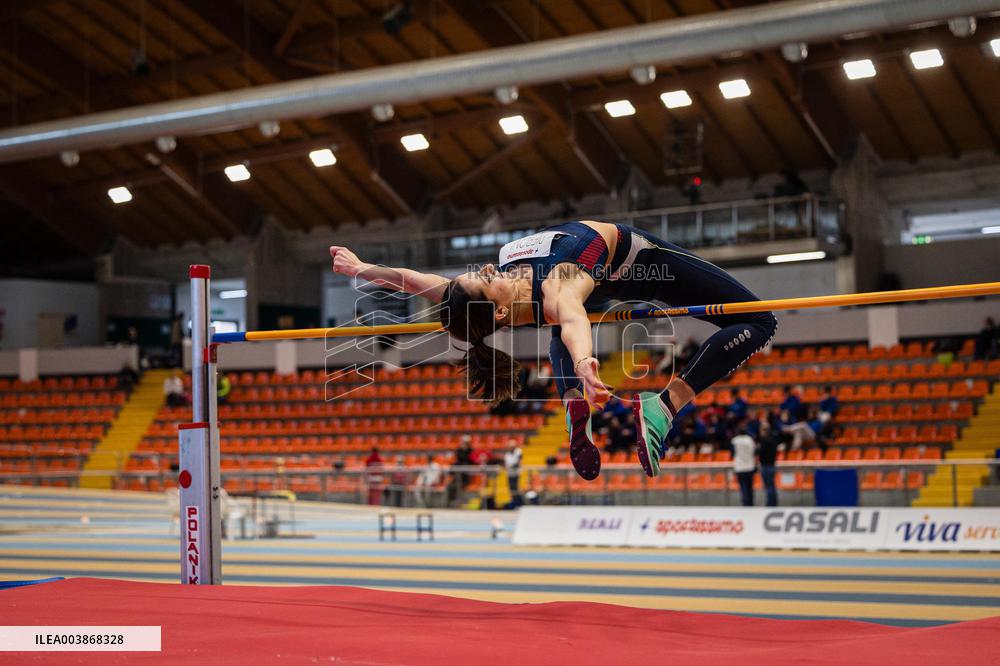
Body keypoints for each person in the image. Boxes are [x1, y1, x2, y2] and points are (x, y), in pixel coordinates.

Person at [331, 219, 776, 482]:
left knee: (557, 320)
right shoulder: (556, 285)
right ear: (500, 313)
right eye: (488, 278)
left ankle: (571, 404)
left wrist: (361, 268)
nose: (487, 267)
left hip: (595, 281)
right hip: (640, 267)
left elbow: (412, 280)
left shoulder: (485, 302)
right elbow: (574, 318)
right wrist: (585, 362)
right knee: (759, 320)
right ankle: (665, 406)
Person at [731, 425, 757, 507]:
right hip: (750, 466)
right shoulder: (750, 440)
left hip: (740, 467)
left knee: (743, 487)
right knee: (750, 487)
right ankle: (751, 504)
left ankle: (745, 504)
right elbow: (754, 451)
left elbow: (732, 453)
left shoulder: (735, 440)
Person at [757, 420, 780, 507]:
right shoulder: (773, 439)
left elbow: (762, 454)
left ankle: (771, 504)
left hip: (767, 465)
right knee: (771, 486)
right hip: (770, 465)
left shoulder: (766, 441)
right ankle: (773, 503)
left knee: (769, 486)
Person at [503, 439, 523, 506]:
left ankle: (519, 503)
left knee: (516, 488)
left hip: (516, 473)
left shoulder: (518, 451)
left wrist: (511, 466)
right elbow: (506, 464)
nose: (511, 447)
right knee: (511, 489)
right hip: (510, 473)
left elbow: (518, 462)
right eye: (510, 446)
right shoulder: (507, 454)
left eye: (512, 446)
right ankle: (514, 502)